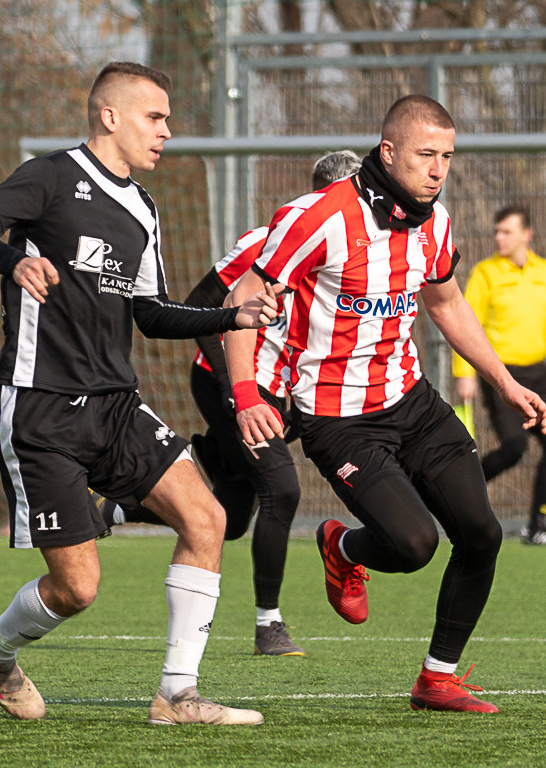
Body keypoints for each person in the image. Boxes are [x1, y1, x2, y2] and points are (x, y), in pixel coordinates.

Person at [0, 61, 281, 726]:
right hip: (40, 407)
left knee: (207, 520)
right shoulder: (51, 176)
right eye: (155, 117)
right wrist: (15, 260)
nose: (166, 131)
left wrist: (231, 317)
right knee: (78, 590)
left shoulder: (143, 209)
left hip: (117, 405)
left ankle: (177, 696)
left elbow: (150, 313)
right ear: (110, 116)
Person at [222, 96, 546, 714]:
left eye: (447, 156)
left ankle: (437, 679)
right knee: (413, 545)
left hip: (412, 401)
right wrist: (244, 395)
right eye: (426, 155)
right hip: (338, 419)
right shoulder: (319, 216)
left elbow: (447, 304)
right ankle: (343, 547)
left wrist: (505, 382)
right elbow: (244, 295)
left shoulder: (435, 221)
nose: (438, 169)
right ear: (390, 151)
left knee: (482, 534)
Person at [109, 150, 363, 657]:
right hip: (225, 380)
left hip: (278, 393)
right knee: (282, 488)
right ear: (324, 197)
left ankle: (119, 508)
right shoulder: (265, 244)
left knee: (230, 518)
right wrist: (233, 387)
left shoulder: (359, 258)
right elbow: (200, 304)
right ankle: (269, 625)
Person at [452, 206, 546, 545]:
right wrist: (465, 374)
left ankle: (538, 525)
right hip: (502, 377)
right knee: (514, 448)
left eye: (506, 231)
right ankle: (457, 494)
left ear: (527, 235)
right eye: (496, 231)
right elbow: (464, 325)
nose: (498, 237)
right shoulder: (485, 273)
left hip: (539, 375)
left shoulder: (545, 272)